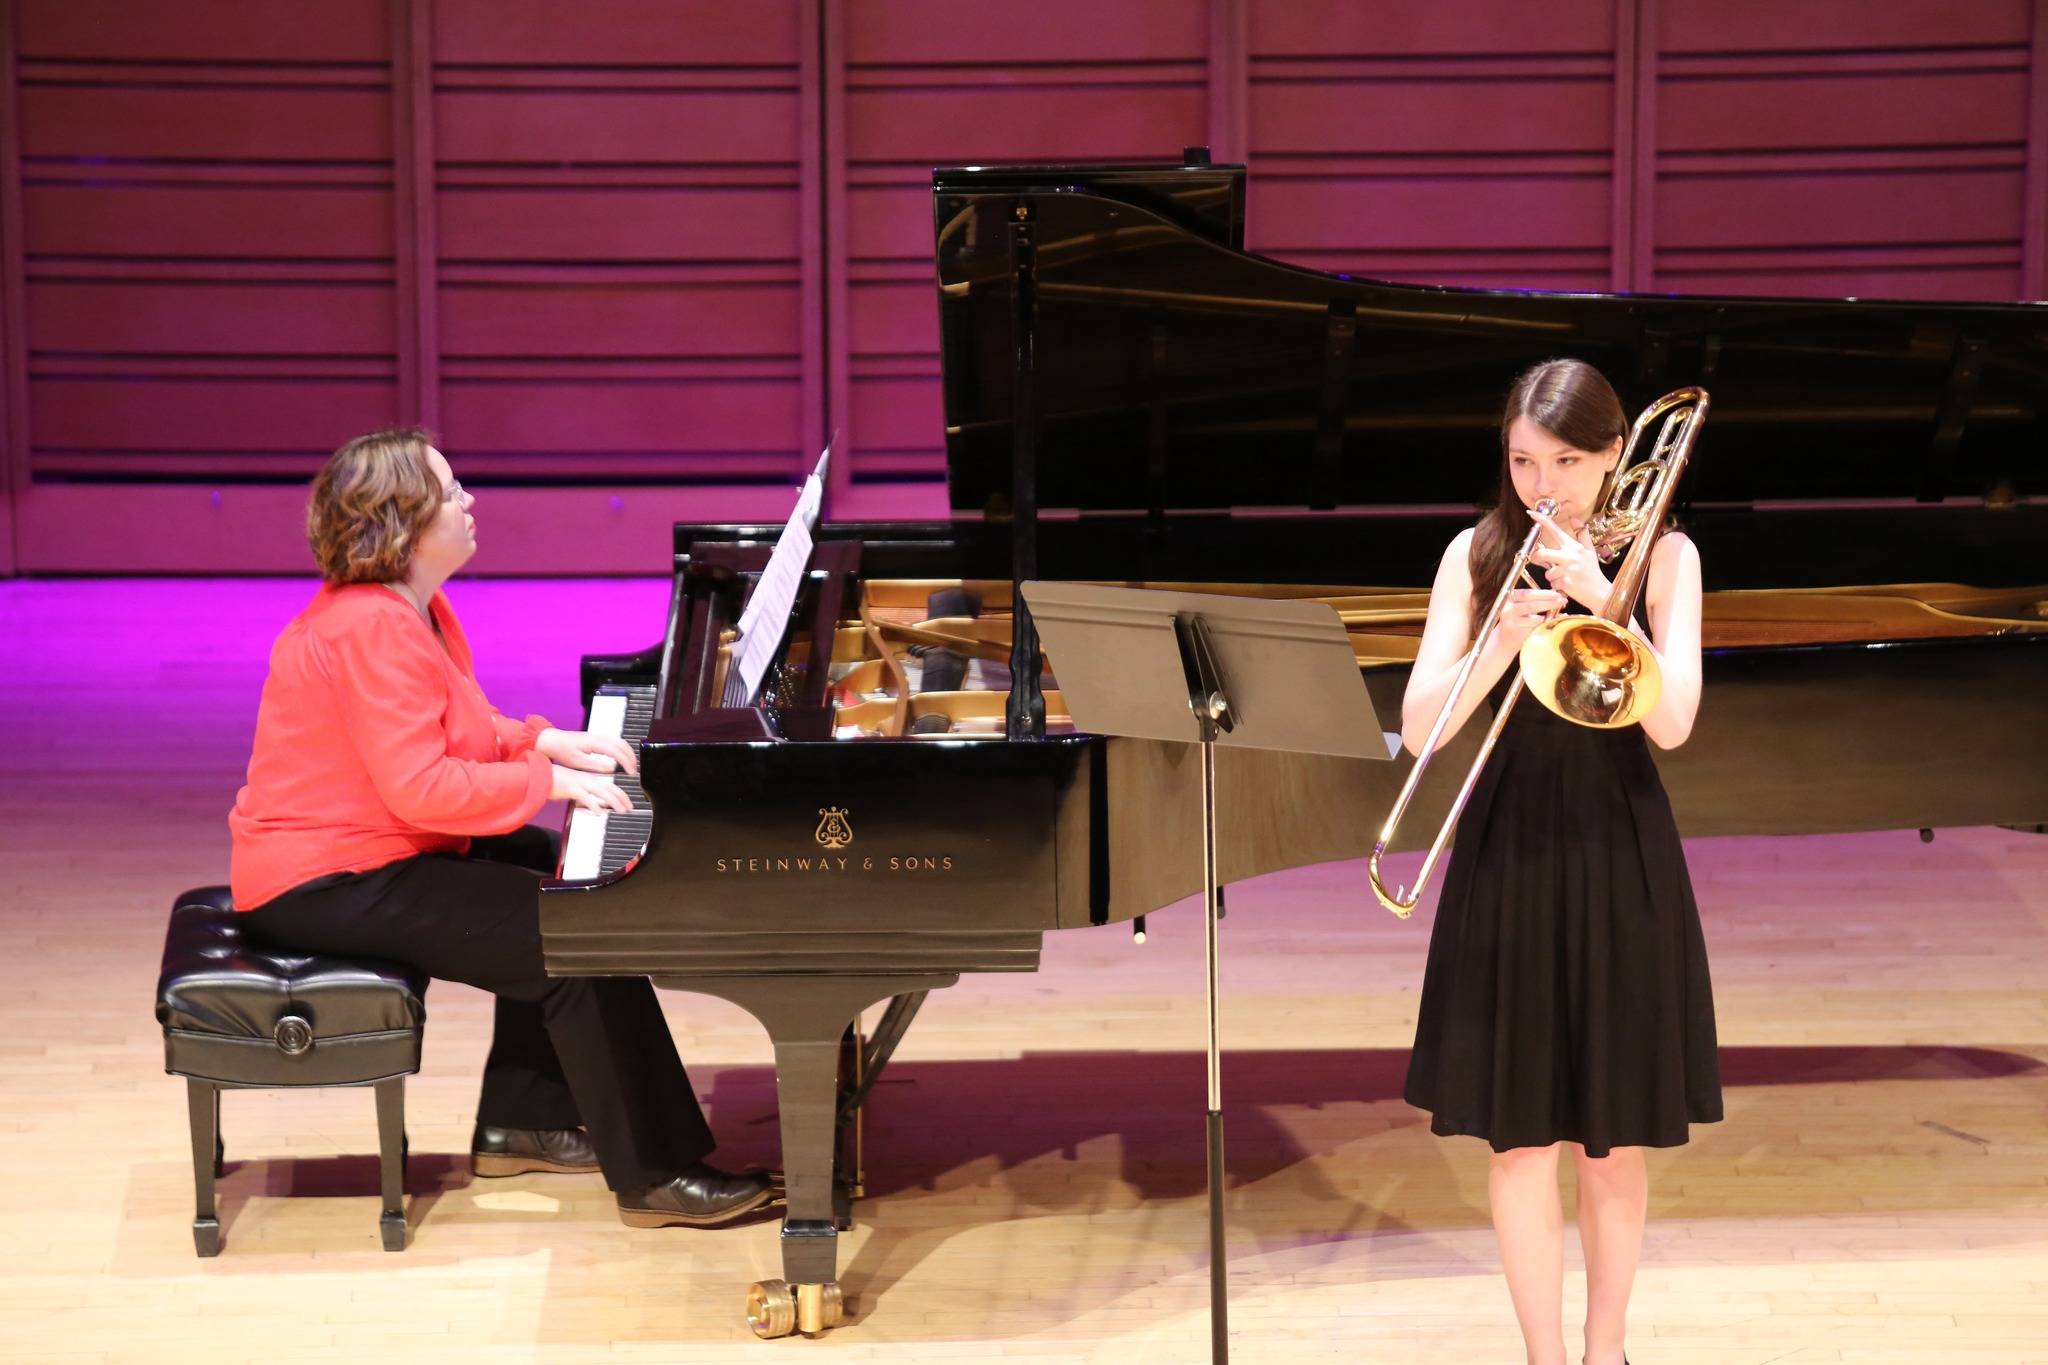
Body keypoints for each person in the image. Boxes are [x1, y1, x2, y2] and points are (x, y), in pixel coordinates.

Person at [229, 427, 774, 1229]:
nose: (469, 500)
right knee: (576, 933)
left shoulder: (409, 608)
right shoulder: (370, 627)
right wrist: (544, 781)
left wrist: (541, 741)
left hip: (366, 842)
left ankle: (523, 1120)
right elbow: (423, 787)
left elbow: (457, 721)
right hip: (324, 878)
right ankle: (658, 1173)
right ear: (404, 523)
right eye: (451, 492)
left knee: (559, 871)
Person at [1399, 360, 1722, 1365]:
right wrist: (1496, 644)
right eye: (1523, 461)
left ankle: (1604, 1351)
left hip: (1617, 846)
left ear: (1616, 455)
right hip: (1511, 848)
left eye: (1568, 463)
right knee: (1520, 1139)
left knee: (1611, 1139)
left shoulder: (1666, 557)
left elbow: (1673, 722)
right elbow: (1420, 730)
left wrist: (1601, 599)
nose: (1544, 485)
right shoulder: (1474, 553)